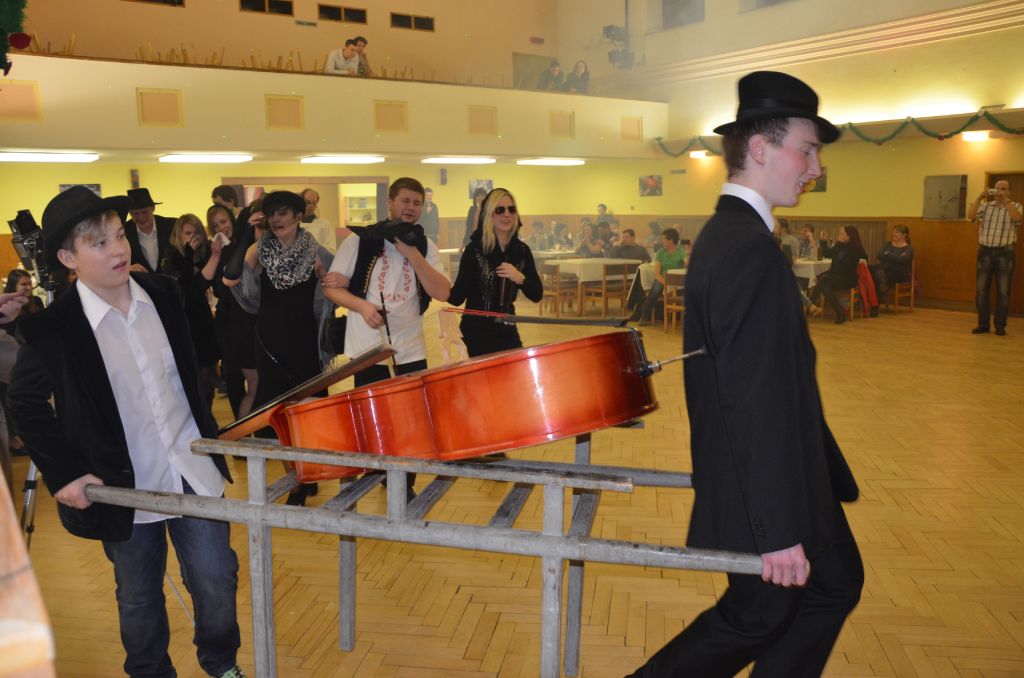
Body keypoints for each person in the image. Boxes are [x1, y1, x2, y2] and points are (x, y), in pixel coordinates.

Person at [629, 71, 862, 678]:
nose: (815, 169)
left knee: (836, 583)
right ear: (760, 148)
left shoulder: (734, 234)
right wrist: (776, 528)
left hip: (794, 475)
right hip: (765, 488)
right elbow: (752, 397)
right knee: (756, 617)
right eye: (806, 151)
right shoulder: (746, 247)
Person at [8, 185, 244, 678]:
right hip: (120, 484)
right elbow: (25, 404)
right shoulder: (54, 328)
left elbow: (191, 369)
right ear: (68, 258)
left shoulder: (163, 294)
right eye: (99, 243)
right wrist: (66, 473)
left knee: (217, 577)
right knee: (138, 596)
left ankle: (221, 663)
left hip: (190, 467)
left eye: (119, 235)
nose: (118, 249)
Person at [324, 177, 450, 385]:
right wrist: (363, 306)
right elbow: (330, 289)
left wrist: (413, 255)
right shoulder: (360, 239)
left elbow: (443, 293)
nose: (410, 207)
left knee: (412, 402)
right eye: (405, 201)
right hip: (368, 347)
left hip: (411, 347)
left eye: (417, 203)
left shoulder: (426, 245)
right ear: (390, 202)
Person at [448, 188, 542, 356]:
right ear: (489, 214)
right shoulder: (474, 250)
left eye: (511, 209)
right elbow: (457, 297)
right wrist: (435, 281)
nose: (507, 214)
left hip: (507, 328)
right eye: (500, 210)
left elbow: (537, 295)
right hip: (476, 333)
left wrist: (520, 277)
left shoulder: (522, 250)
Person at [161, 214, 222, 404]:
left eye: (196, 233)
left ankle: (207, 417)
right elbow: (184, 288)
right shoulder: (172, 256)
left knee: (207, 378)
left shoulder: (204, 253)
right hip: (184, 323)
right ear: (179, 235)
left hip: (203, 321)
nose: (192, 237)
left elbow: (206, 285)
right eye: (187, 233)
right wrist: (188, 253)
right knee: (192, 381)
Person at [207, 204, 258, 421]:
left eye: (224, 221)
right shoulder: (216, 251)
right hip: (230, 321)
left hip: (245, 320)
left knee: (253, 382)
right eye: (215, 225)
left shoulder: (246, 244)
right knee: (237, 381)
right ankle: (243, 431)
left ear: (232, 220)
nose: (221, 228)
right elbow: (221, 286)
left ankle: (248, 430)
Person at [968, 180, 1020, 336]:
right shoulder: (985, 206)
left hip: (1005, 253)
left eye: (1003, 189)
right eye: (997, 189)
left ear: (1009, 192)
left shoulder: (1016, 206)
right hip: (985, 252)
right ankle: (983, 324)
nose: (999, 192)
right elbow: (971, 216)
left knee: (1003, 291)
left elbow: (1017, 219)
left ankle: (1000, 326)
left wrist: (1006, 201)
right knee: (981, 290)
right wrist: (979, 197)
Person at [809, 225, 868, 324]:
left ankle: (810, 304)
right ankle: (840, 313)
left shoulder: (855, 249)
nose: (839, 235)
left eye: (842, 233)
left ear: (849, 236)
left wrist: (829, 274)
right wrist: (823, 241)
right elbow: (827, 254)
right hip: (835, 276)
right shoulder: (840, 245)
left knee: (823, 279)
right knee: (825, 286)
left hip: (847, 278)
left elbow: (846, 267)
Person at [629, 227, 685, 325]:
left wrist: (688, 253)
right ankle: (644, 316)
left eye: (663, 238)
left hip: (678, 281)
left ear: (671, 240)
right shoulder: (661, 252)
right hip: (663, 279)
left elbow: (688, 264)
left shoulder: (681, 252)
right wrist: (666, 283)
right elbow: (657, 273)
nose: (661, 241)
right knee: (655, 289)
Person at [124, 187, 175, 273]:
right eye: (135, 214)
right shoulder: (124, 232)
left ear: (153, 208)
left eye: (145, 212)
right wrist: (128, 268)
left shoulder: (172, 225)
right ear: (129, 213)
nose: (141, 217)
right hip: (141, 280)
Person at [868, 225, 915, 316]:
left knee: (878, 276)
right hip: (882, 269)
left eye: (897, 232)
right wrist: (895, 257)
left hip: (897, 272)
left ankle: (874, 306)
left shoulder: (909, 248)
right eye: (893, 232)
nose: (894, 234)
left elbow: (902, 261)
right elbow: (879, 255)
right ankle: (875, 303)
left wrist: (888, 254)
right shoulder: (887, 244)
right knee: (870, 270)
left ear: (904, 235)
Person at [301, 188, 338, 252]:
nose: (311, 206)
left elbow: (331, 249)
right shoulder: (292, 223)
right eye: (308, 202)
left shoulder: (324, 224)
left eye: (314, 203)